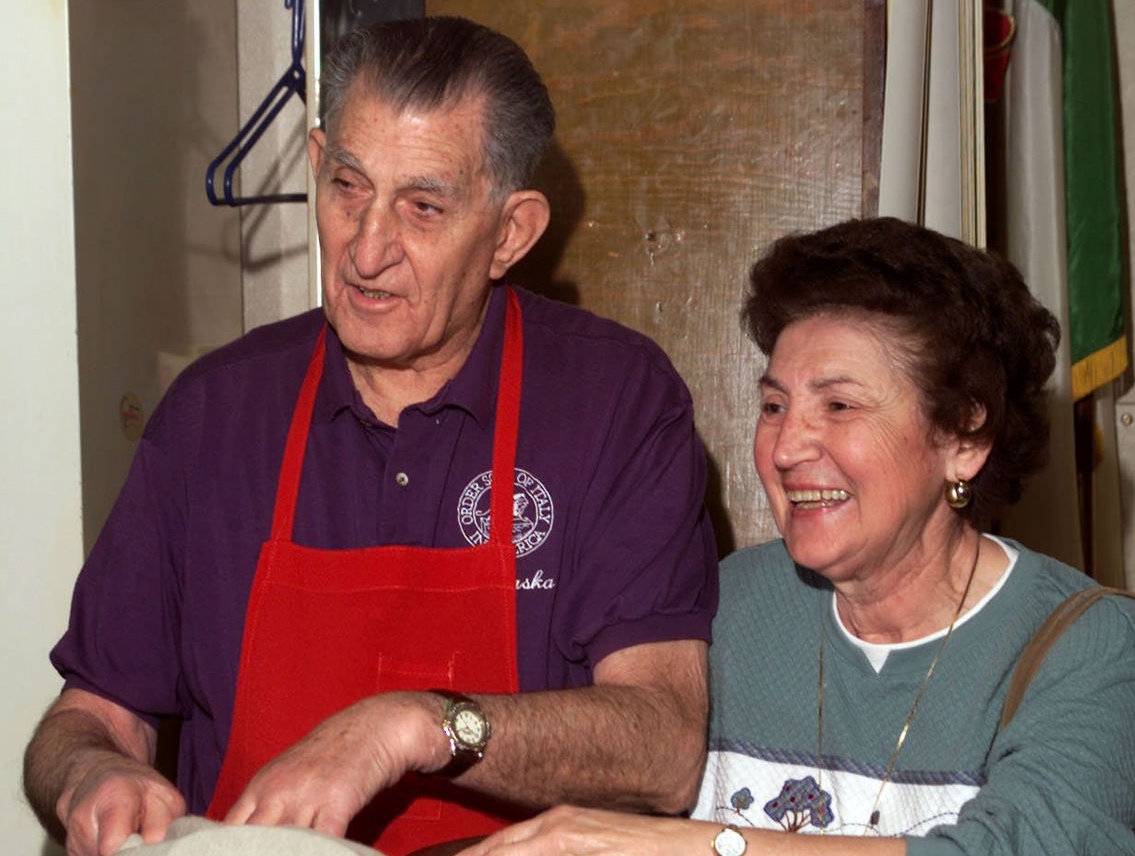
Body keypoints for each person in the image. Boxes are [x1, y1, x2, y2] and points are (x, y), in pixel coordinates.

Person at [22, 17, 718, 856]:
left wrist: (415, 726)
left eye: (423, 208)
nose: (366, 248)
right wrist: (93, 771)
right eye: (348, 186)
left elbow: (663, 745)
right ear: (316, 164)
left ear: (510, 233)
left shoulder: (615, 403)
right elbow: (90, 715)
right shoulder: (213, 415)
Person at [459, 217, 1135, 855]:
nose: (786, 445)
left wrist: (698, 846)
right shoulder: (718, 607)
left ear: (963, 437)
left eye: (838, 405)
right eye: (774, 405)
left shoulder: (1097, 645)